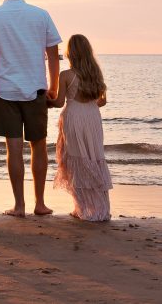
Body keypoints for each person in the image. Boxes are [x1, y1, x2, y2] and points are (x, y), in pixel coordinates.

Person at [0, 0, 62, 217]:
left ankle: (19, 205)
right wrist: (54, 86)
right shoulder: (41, 15)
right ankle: (40, 203)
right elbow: (53, 54)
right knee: (39, 146)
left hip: (4, 89)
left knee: (13, 149)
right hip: (35, 88)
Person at [48, 34, 112, 221]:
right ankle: (100, 208)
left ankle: (83, 208)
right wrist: (88, 106)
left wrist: (45, 99)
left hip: (74, 117)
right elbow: (102, 102)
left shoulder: (66, 75)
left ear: (70, 53)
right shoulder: (96, 73)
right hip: (92, 117)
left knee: (76, 159)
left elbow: (59, 102)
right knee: (94, 156)